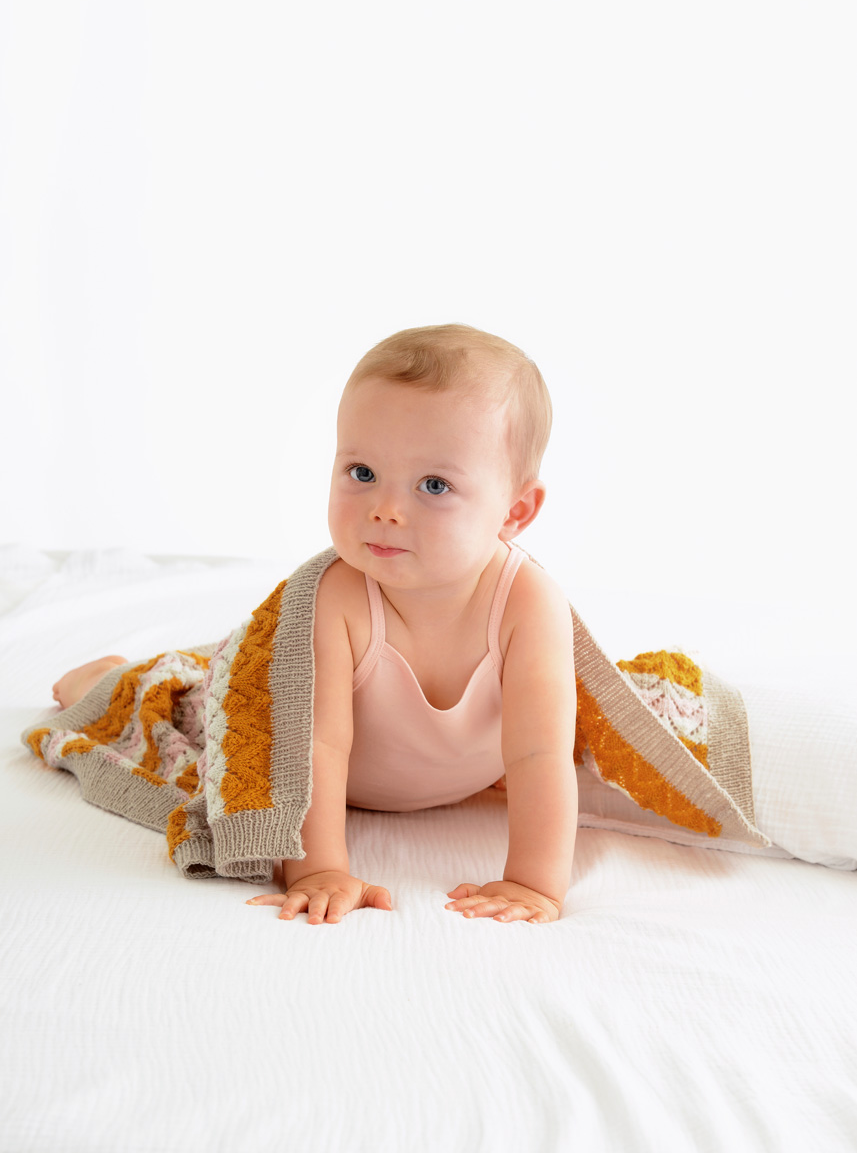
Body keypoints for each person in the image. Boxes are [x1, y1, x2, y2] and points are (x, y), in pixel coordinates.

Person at [52, 324, 578, 925]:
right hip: (342, 774)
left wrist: (534, 884)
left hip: (461, 780)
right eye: (362, 472)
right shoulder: (339, 598)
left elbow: (541, 753)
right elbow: (315, 746)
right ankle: (99, 678)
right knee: (170, 702)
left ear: (515, 511)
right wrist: (319, 869)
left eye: (434, 485)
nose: (386, 509)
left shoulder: (528, 604)